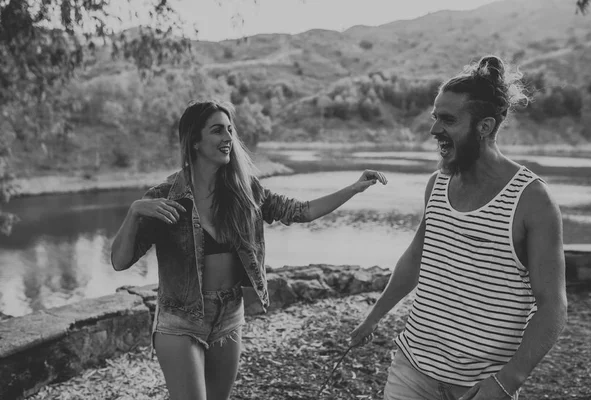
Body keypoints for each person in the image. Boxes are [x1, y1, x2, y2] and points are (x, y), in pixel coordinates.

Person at [110, 100, 388, 400]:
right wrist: (135, 211)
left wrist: (355, 187)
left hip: (229, 315)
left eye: (230, 130)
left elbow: (302, 211)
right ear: (194, 141)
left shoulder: (246, 192)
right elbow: (119, 261)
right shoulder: (165, 198)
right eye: (217, 131)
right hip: (180, 319)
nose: (228, 138)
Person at [350, 55, 567, 400]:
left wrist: (506, 382)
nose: (434, 130)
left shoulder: (533, 201)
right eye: (436, 117)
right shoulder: (438, 183)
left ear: (484, 126)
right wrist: (374, 316)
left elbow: (553, 307)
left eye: (448, 120)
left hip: (480, 386)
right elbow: (417, 258)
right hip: (411, 368)